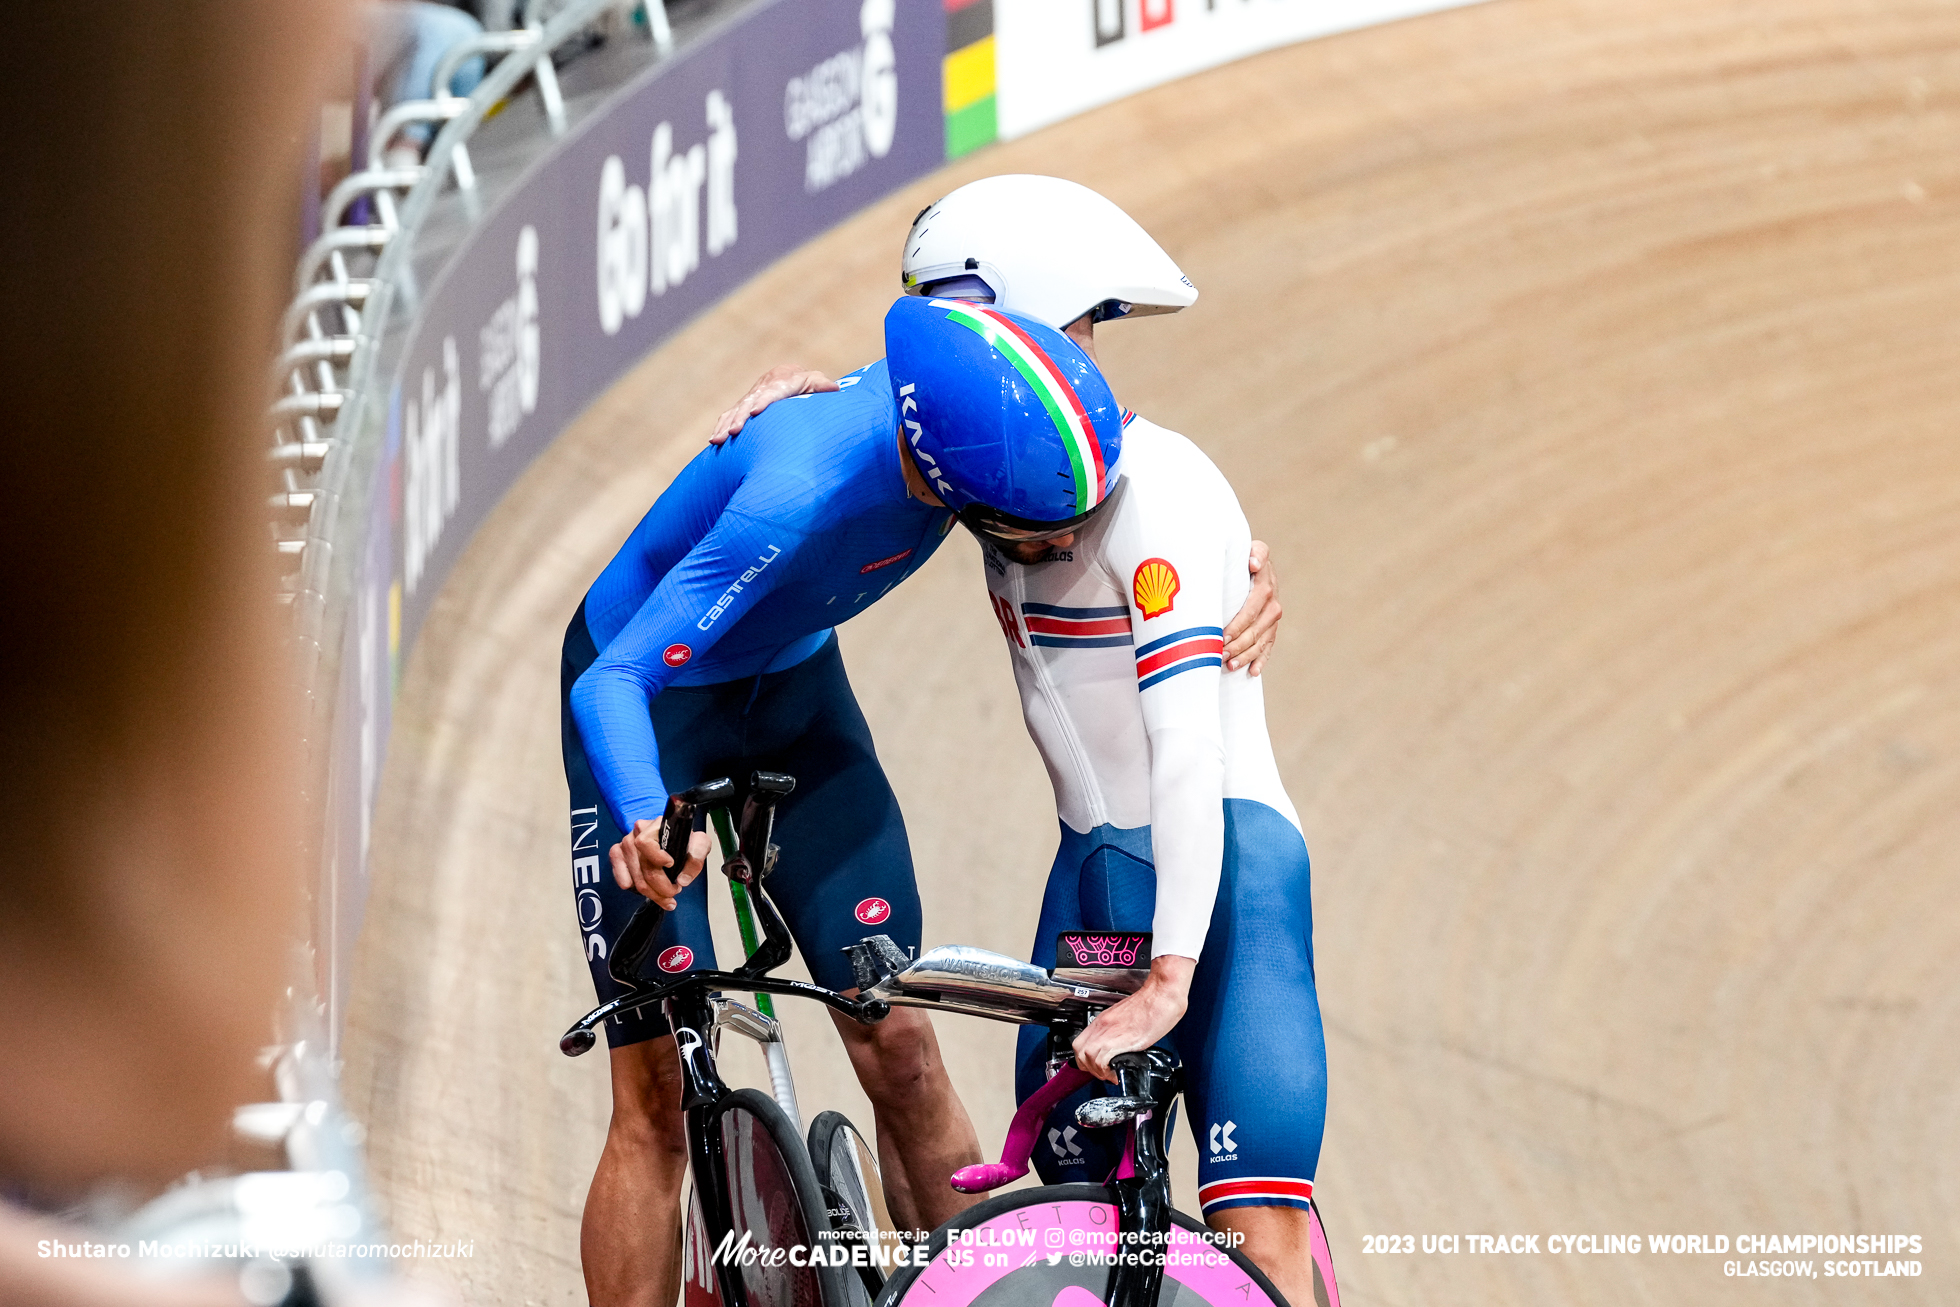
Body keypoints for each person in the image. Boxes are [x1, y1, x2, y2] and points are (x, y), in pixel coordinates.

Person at [562, 179, 1284, 1307]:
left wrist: (1243, 569)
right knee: (655, 1093)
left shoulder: (981, 418)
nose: (1047, 544)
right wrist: (648, 813)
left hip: (794, 694)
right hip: (648, 709)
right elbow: (612, 677)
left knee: (898, 1037)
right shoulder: (794, 493)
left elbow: (1128, 488)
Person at [880, 293, 1331, 1307]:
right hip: (1092, 876)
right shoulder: (975, 437)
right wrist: (799, 389)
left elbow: (1185, 751)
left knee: (1256, 1227)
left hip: (1228, 874)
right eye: (1027, 541)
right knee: (1079, 1213)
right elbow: (882, 421)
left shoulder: (1153, 492)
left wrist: (1169, 979)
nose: (1051, 551)